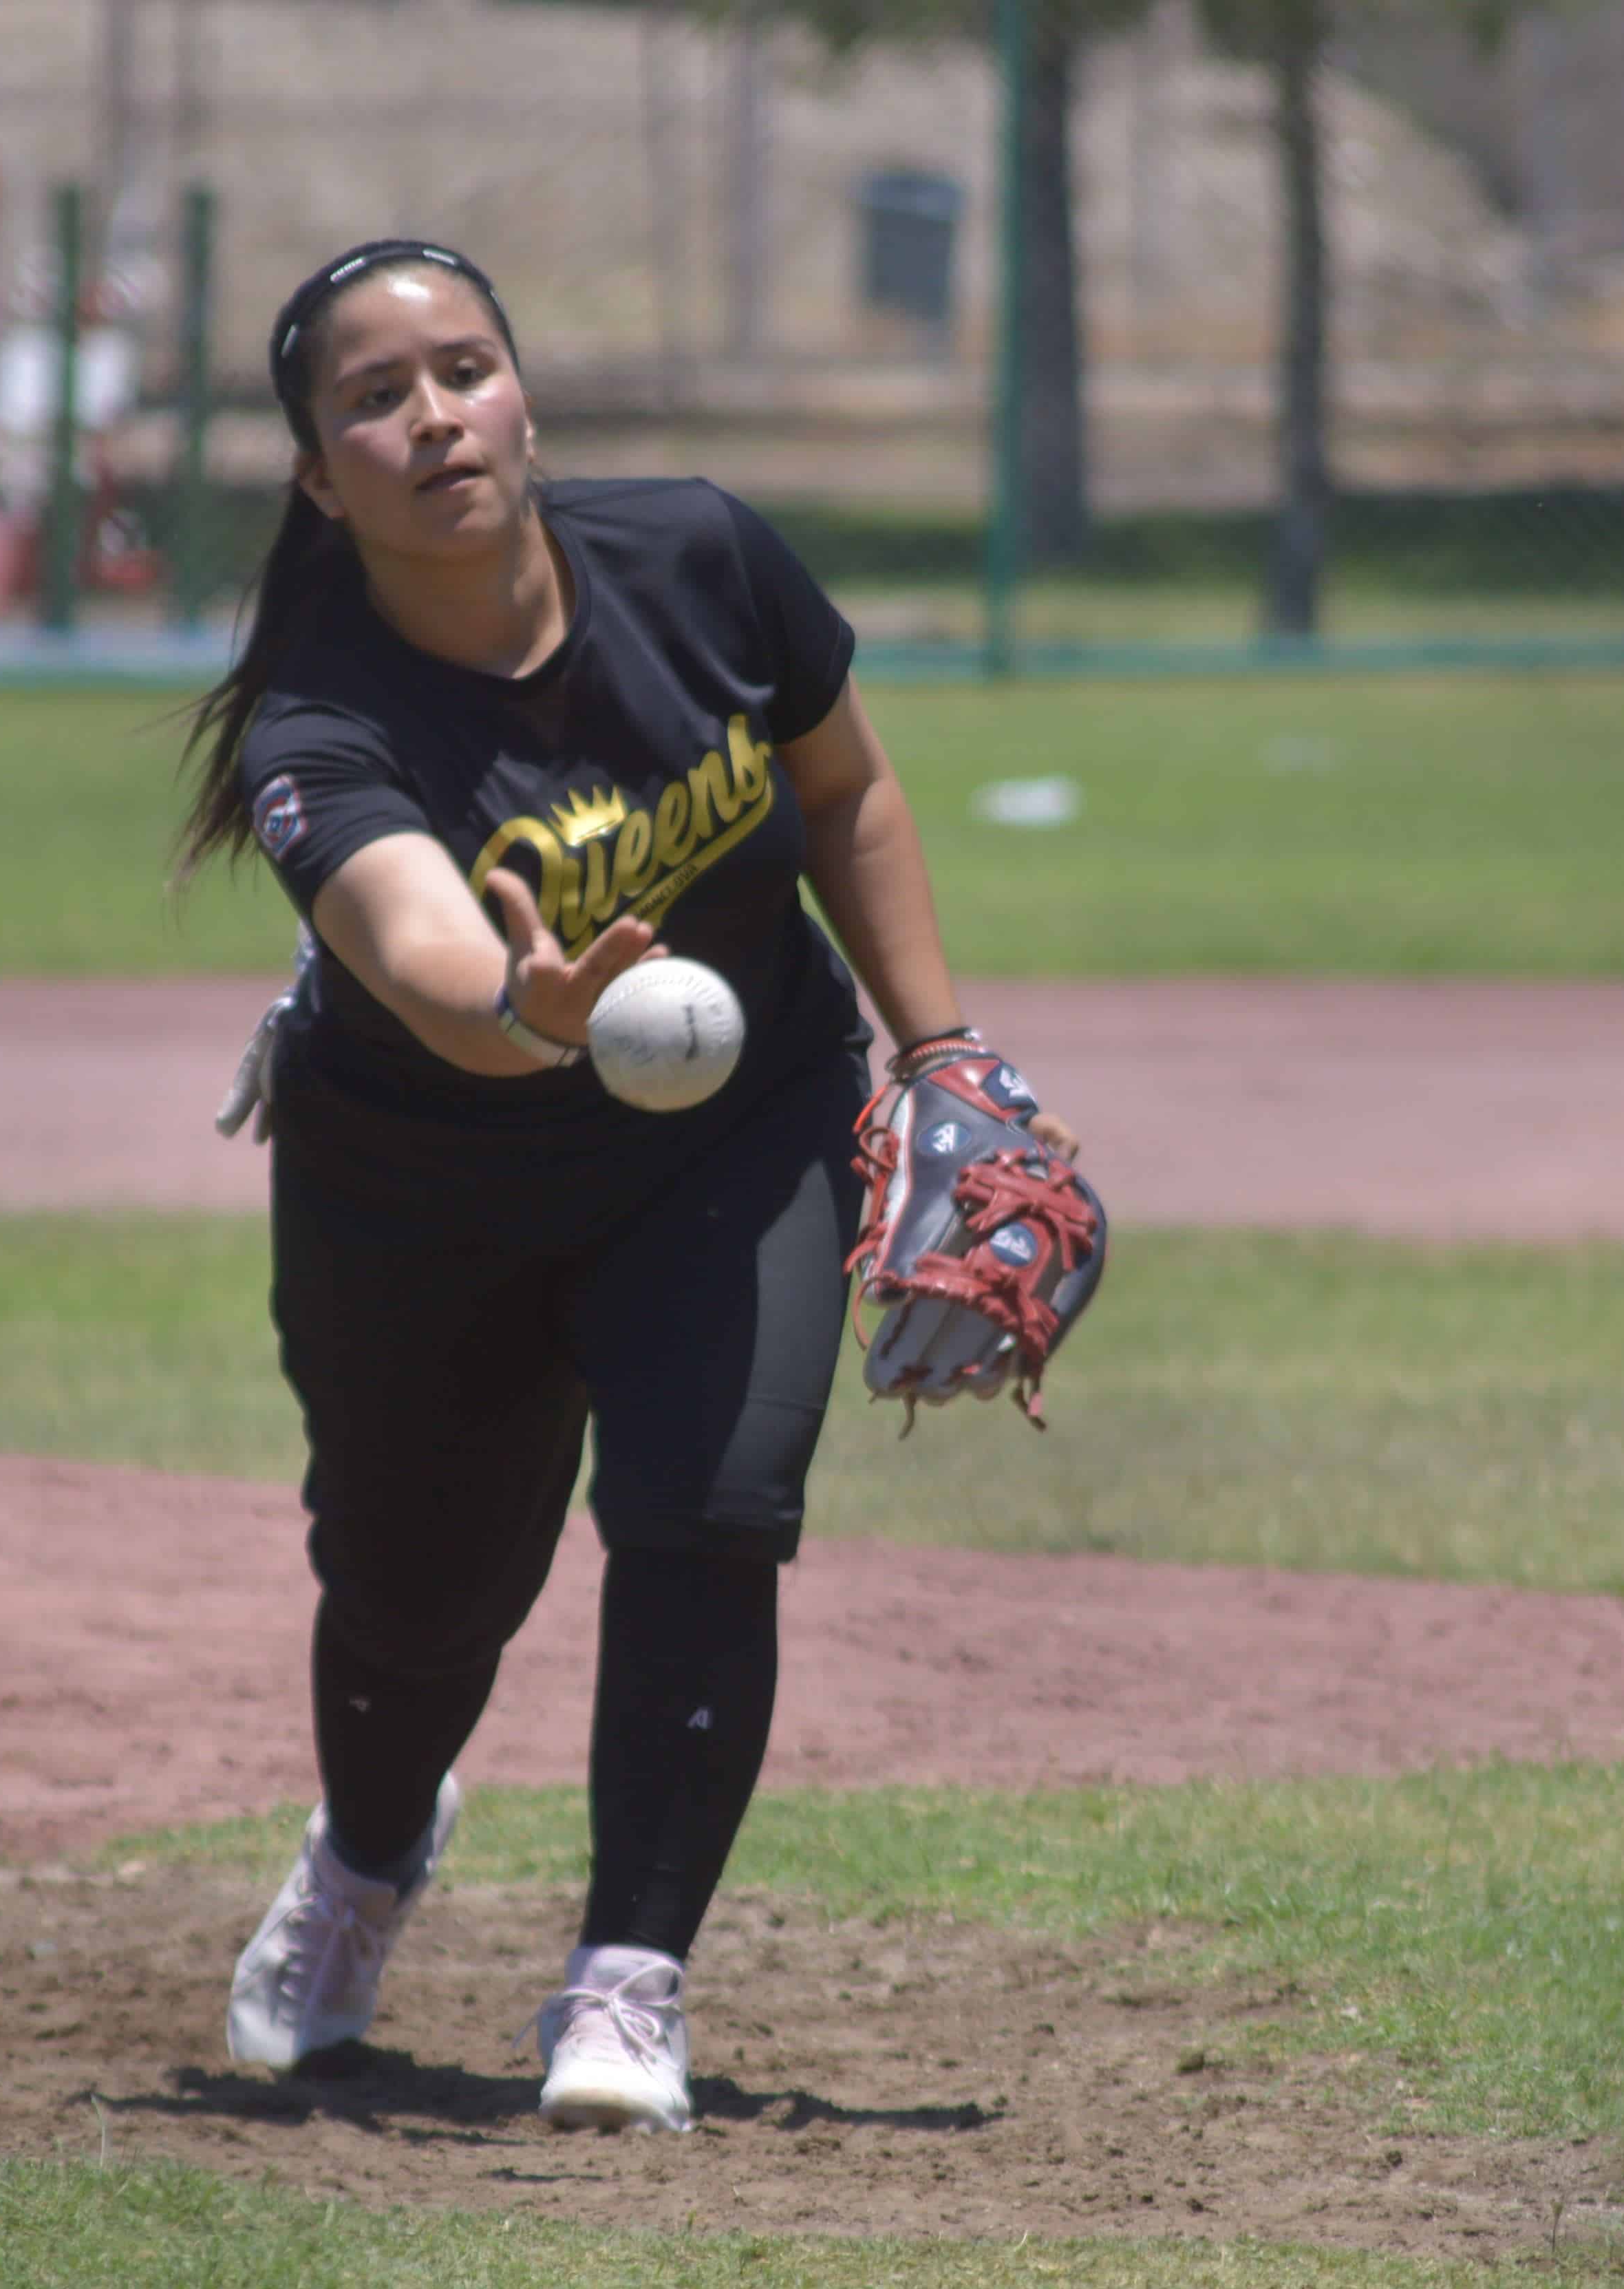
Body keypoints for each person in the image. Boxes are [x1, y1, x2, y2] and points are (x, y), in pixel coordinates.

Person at [175, 237, 1077, 2134]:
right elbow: (428, 975)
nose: (431, 416)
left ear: (521, 392)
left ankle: (622, 1985)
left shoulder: (699, 559)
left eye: (464, 368)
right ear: (316, 475)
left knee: (709, 1505)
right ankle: (362, 1855)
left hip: (733, 1133)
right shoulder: (319, 726)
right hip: (424, 1179)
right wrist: (533, 1007)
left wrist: (940, 1058)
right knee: (422, 1599)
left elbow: (843, 791)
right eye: (371, 396)